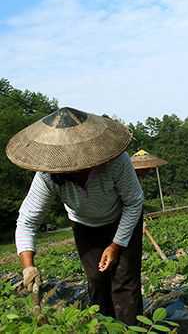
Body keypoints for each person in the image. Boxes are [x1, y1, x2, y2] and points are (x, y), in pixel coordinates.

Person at [6, 107, 144, 325]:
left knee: (124, 282)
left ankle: (131, 328)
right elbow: (27, 221)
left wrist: (116, 245)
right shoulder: (48, 176)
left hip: (122, 218)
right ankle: (104, 327)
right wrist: (28, 266)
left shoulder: (115, 161)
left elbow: (134, 201)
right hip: (85, 225)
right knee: (97, 281)